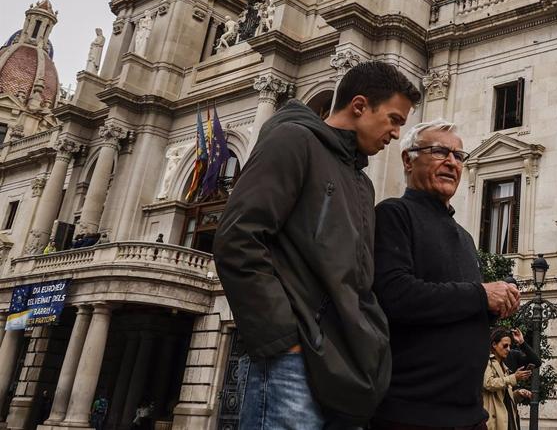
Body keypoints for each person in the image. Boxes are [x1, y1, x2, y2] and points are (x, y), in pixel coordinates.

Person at [215, 61, 421, 429]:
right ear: (359, 106)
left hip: (346, 366)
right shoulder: (292, 141)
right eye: (393, 119)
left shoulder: (362, 182)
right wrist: (281, 339)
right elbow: (239, 237)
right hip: (292, 362)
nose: (396, 133)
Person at [372, 120, 521, 430]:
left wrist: (495, 307)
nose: (452, 162)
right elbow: (395, 295)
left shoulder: (465, 237)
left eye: (458, 155)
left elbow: (455, 308)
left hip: (470, 416)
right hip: (411, 414)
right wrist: (482, 295)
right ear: (407, 160)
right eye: (440, 151)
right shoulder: (393, 214)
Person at [483, 328, 533, 430]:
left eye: (510, 346)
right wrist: (514, 377)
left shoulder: (504, 367)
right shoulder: (487, 361)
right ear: (494, 345)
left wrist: (518, 394)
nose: (508, 349)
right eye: (505, 345)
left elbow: (504, 397)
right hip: (494, 420)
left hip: (508, 419)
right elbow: (489, 383)